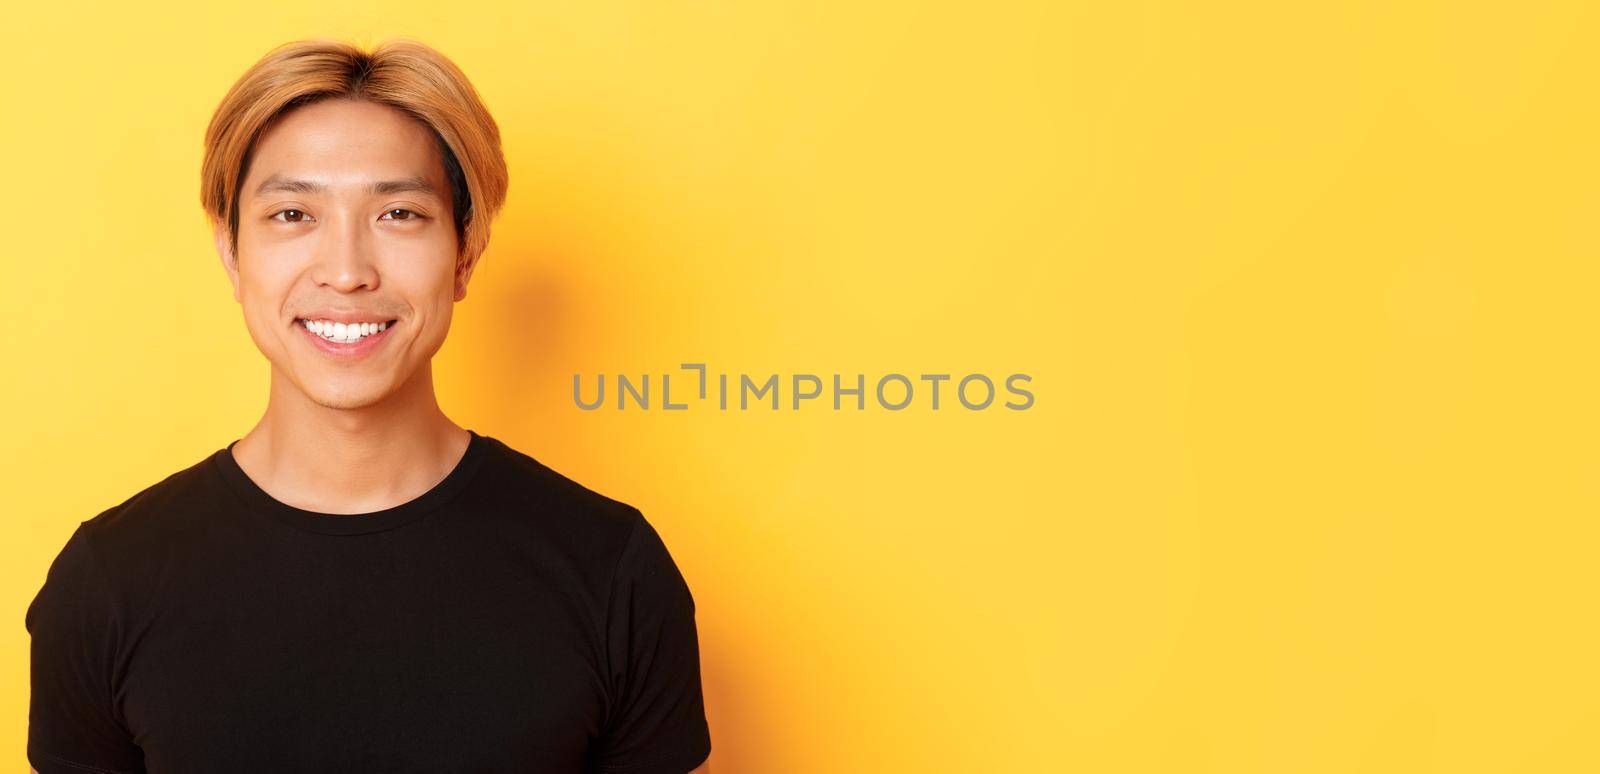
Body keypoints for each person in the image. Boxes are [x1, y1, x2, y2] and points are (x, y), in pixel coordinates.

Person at [24, 38, 712, 774]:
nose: (347, 272)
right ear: (231, 254)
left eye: (399, 214)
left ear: (466, 254)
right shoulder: (107, 585)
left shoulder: (613, 573)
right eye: (292, 214)